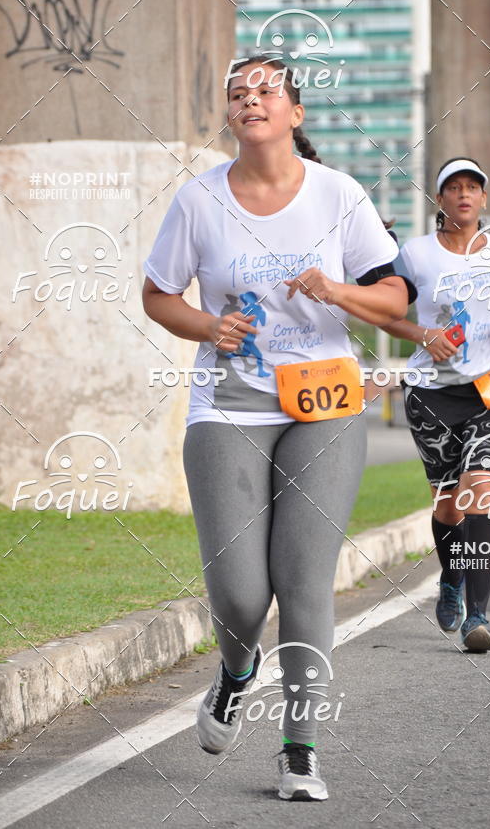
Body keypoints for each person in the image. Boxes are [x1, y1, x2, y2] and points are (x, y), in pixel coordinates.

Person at [141, 53, 409, 801]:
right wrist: (208, 324)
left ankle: (299, 750)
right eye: (237, 92)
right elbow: (158, 292)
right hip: (229, 402)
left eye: (265, 90)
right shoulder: (199, 201)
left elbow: (394, 297)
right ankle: (234, 670)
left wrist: (338, 289)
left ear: (294, 112)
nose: (249, 99)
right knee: (238, 593)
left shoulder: (338, 195)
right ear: (230, 115)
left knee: (303, 581)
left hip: (325, 404)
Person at [381, 157, 490, 652]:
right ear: (440, 199)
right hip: (432, 392)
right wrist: (423, 333)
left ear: (484, 198)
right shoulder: (415, 254)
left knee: (479, 493)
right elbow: (384, 312)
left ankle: (477, 617)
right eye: (454, 188)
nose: (464, 195)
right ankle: (451, 577)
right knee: (448, 507)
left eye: (473, 187)